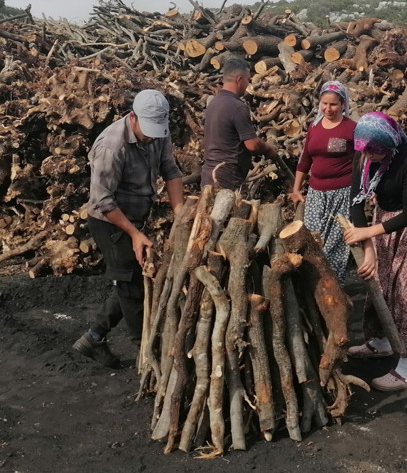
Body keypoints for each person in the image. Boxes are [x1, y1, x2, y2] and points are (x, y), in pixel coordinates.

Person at [73, 89, 184, 367]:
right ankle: (145, 356)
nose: (151, 137)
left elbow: (170, 169)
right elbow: (102, 200)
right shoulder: (112, 146)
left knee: (129, 279)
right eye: (147, 131)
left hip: (135, 216)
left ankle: (94, 336)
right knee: (133, 288)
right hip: (108, 220)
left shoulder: (159, 132)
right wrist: (134, 234)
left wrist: (181, 212)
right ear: (132, 117)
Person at [342, 112, 407, 392]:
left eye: (374, 149)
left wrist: (368, 233)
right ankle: (380, 342)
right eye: (365, 149)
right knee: (379, 282)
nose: (369, 155)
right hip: (382, 221)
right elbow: (355, 204)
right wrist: (368, 250)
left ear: (387, 144)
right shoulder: (364, 157)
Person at [289, 81, 356, 282]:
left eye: (333, 104)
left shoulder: (351, 128)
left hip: (341, 194)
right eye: (324, 103)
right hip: (316, 194)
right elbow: (305, 159)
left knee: (335, 245)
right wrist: (296, 188)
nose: (328, 109)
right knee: (314, 242)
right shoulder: (314, 127)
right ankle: (314, 289)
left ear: (343, 104)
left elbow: (363, 161)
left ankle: (335, 290)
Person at [201, 57, 279, 190]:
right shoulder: (237, 107)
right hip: (228, 176)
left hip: (208, 173)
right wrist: (268, 148)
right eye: (247, 80)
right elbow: (252, 145)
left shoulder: (214, 103)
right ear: (239, 80)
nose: (248, 84)